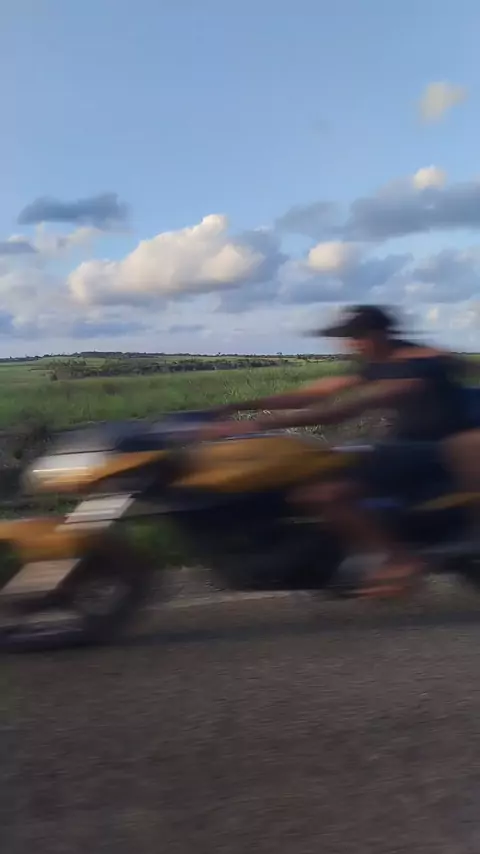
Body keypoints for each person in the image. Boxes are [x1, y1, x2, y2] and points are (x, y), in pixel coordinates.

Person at [202, 305, 479, 598]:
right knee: (311, 475)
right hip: (402, 446)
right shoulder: (376, 364)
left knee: (325, 492)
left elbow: (343, 409)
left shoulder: (419, 364)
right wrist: (238, 406)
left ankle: (398, 560)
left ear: (380, 333)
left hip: (435, 451)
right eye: (348, 337)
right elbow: (315, 393)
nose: (350, 344)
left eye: (357, 336)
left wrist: (257, 424)